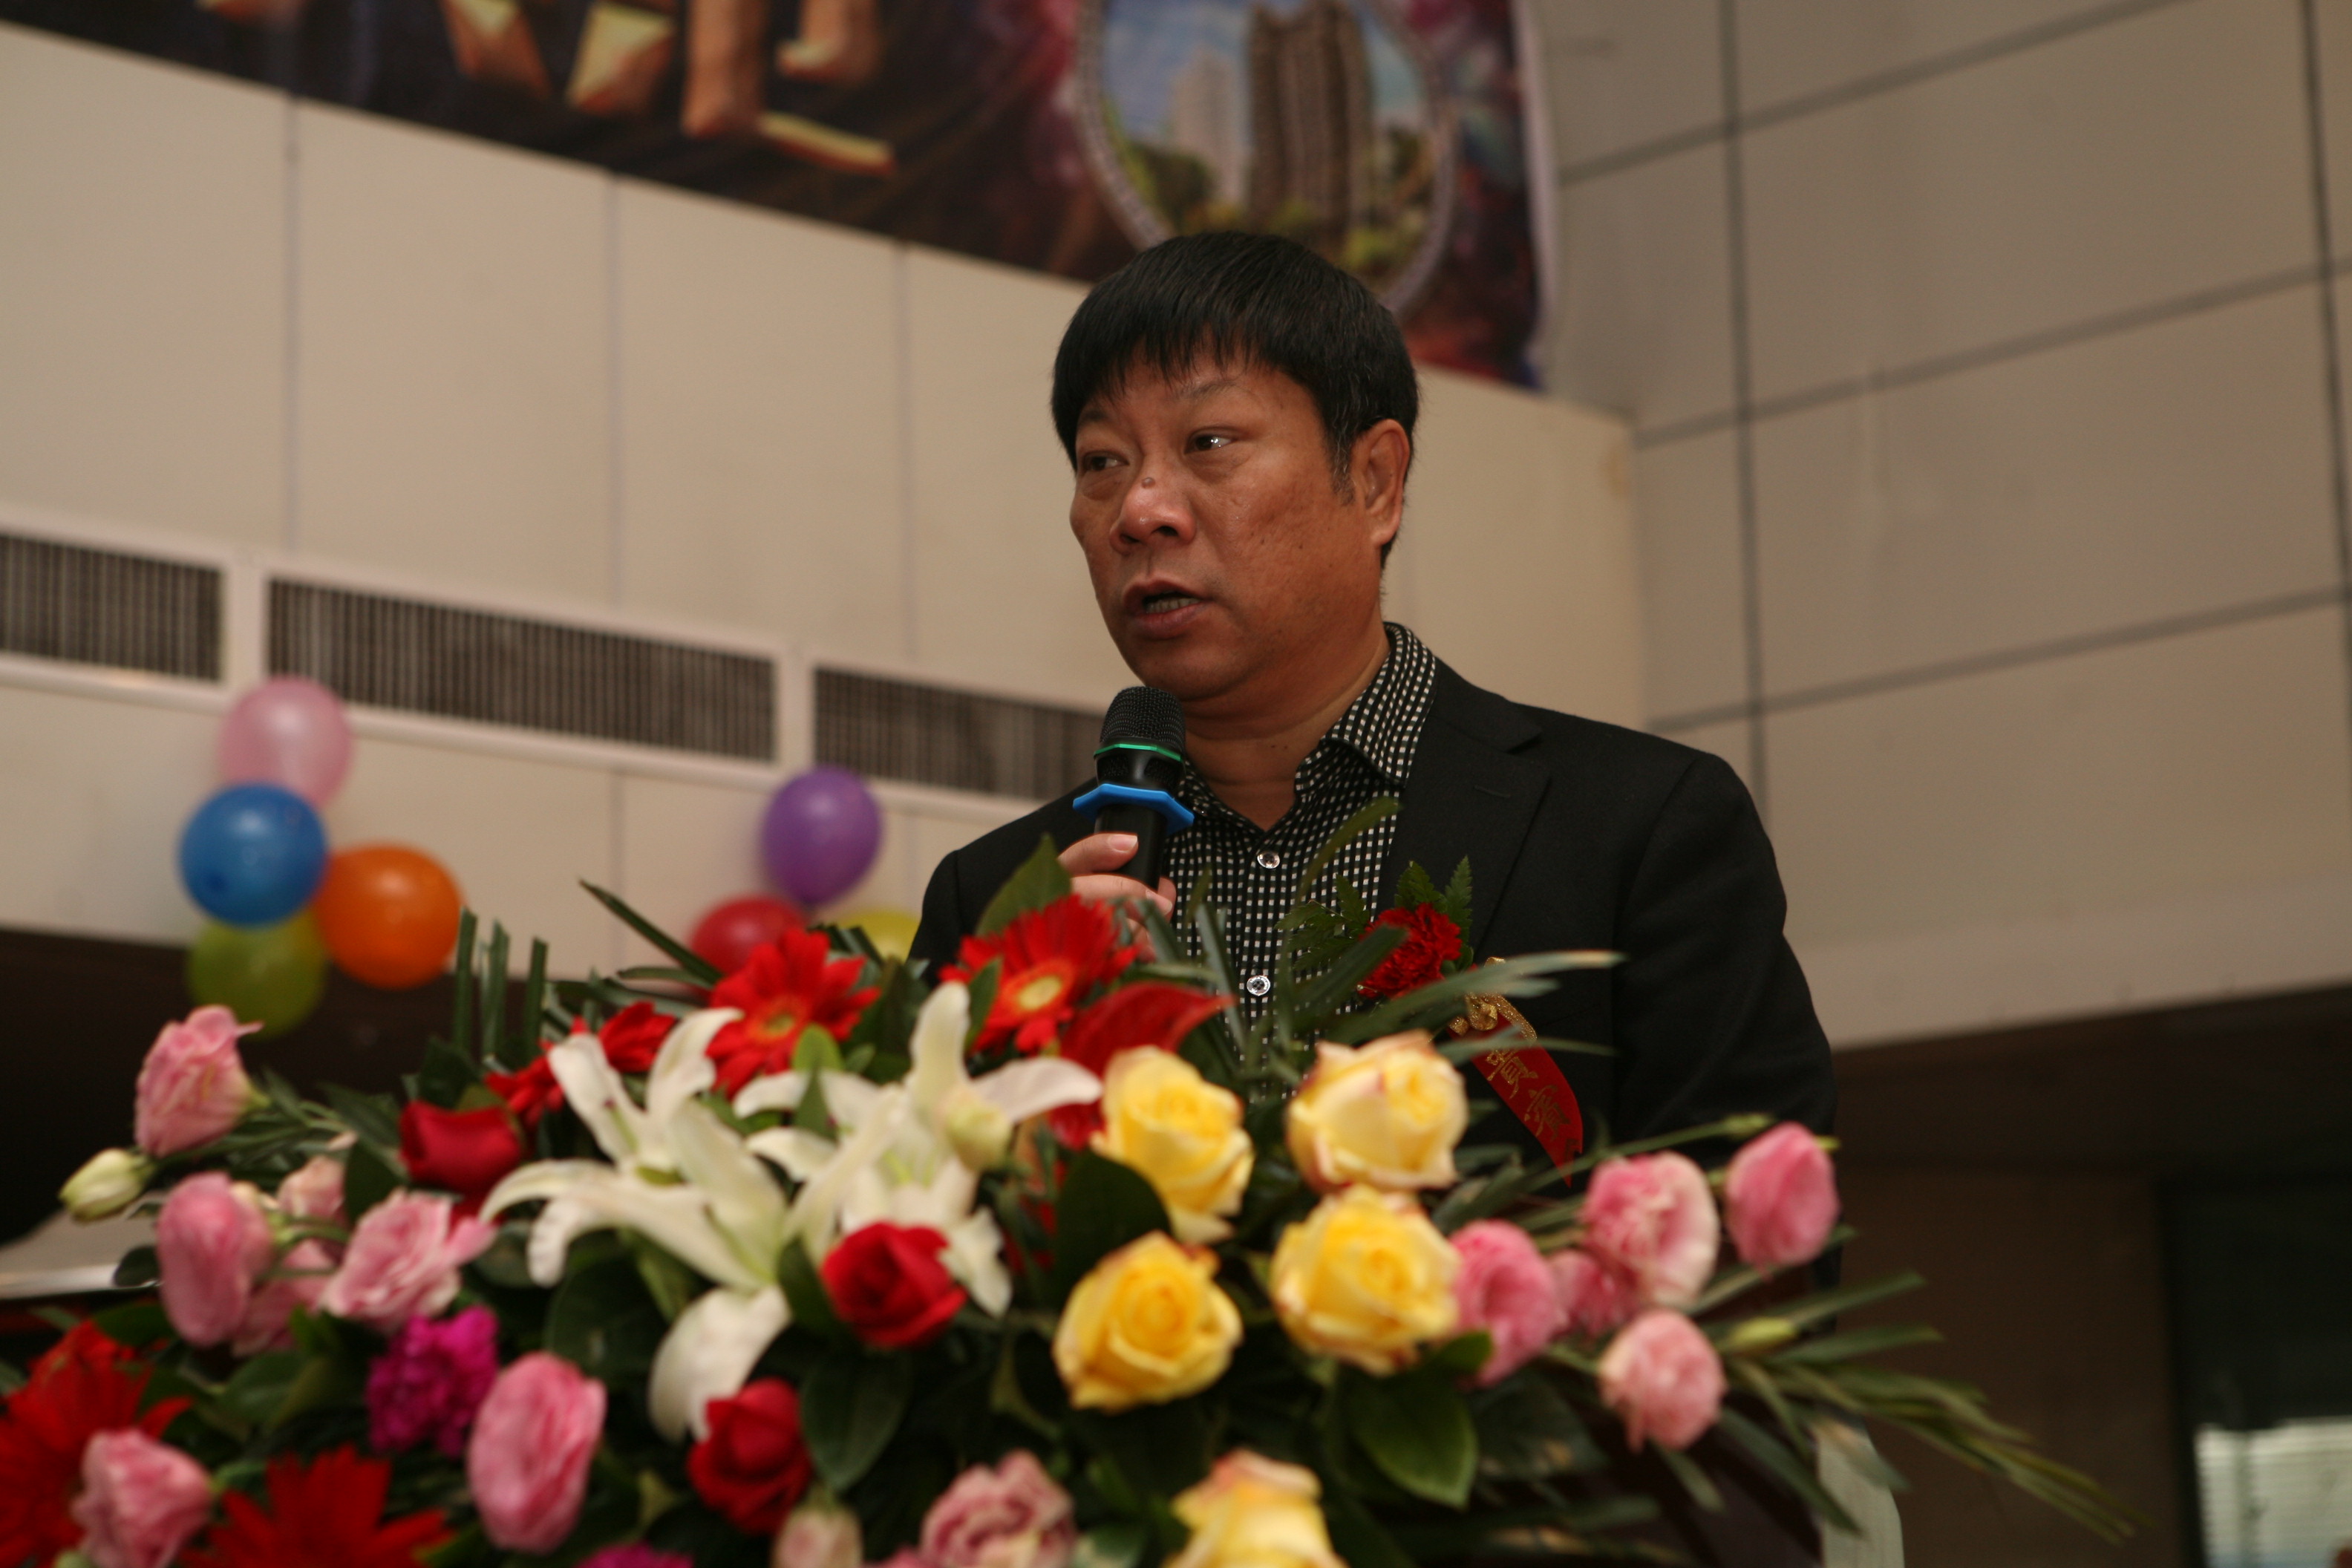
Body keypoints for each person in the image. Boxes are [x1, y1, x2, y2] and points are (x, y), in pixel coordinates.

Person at [911, 229, 1835, 1166]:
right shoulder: (992, 904)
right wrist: (1014, 1047)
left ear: (1376, 481)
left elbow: (1745, 1218)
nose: (1141, 509)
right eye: (1102, 460)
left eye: (1209, 443)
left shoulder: (1638, 832)